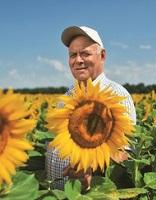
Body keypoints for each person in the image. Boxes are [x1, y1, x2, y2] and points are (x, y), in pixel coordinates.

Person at [45, 25, 136, 190]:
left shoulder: (117, 95)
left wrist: (91, 174)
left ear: (102, 56)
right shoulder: (66, 98)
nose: (78, 60)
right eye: (73, 55)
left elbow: (125, 155)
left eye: (85, 53)